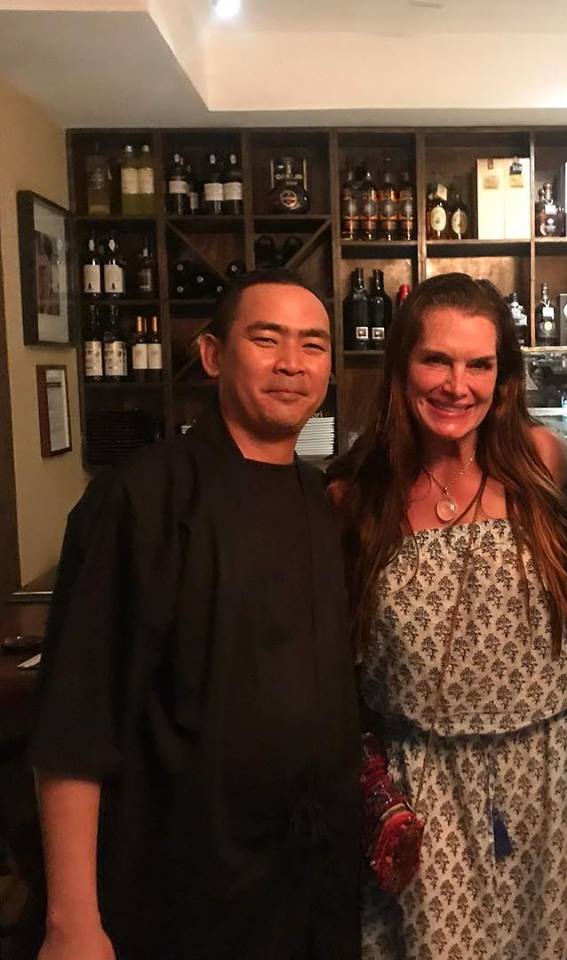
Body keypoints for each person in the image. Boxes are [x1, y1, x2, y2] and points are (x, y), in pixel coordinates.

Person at [30, 269, 360, 960]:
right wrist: (71, 922)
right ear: (213, 355)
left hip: (310, 881)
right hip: (185, 883)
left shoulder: (320, 498)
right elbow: (75, 718)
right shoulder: (142, 497)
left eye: (312, 345)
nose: (292, 363)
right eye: (266, 339)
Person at [327, 272, 567, 959]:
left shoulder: (541, 461)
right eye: (436, 360)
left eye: (479, 364)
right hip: (422, 782)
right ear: (401, 366)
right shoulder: (356, 495)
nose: (457, 385)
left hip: (547, 775)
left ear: (502, 377)